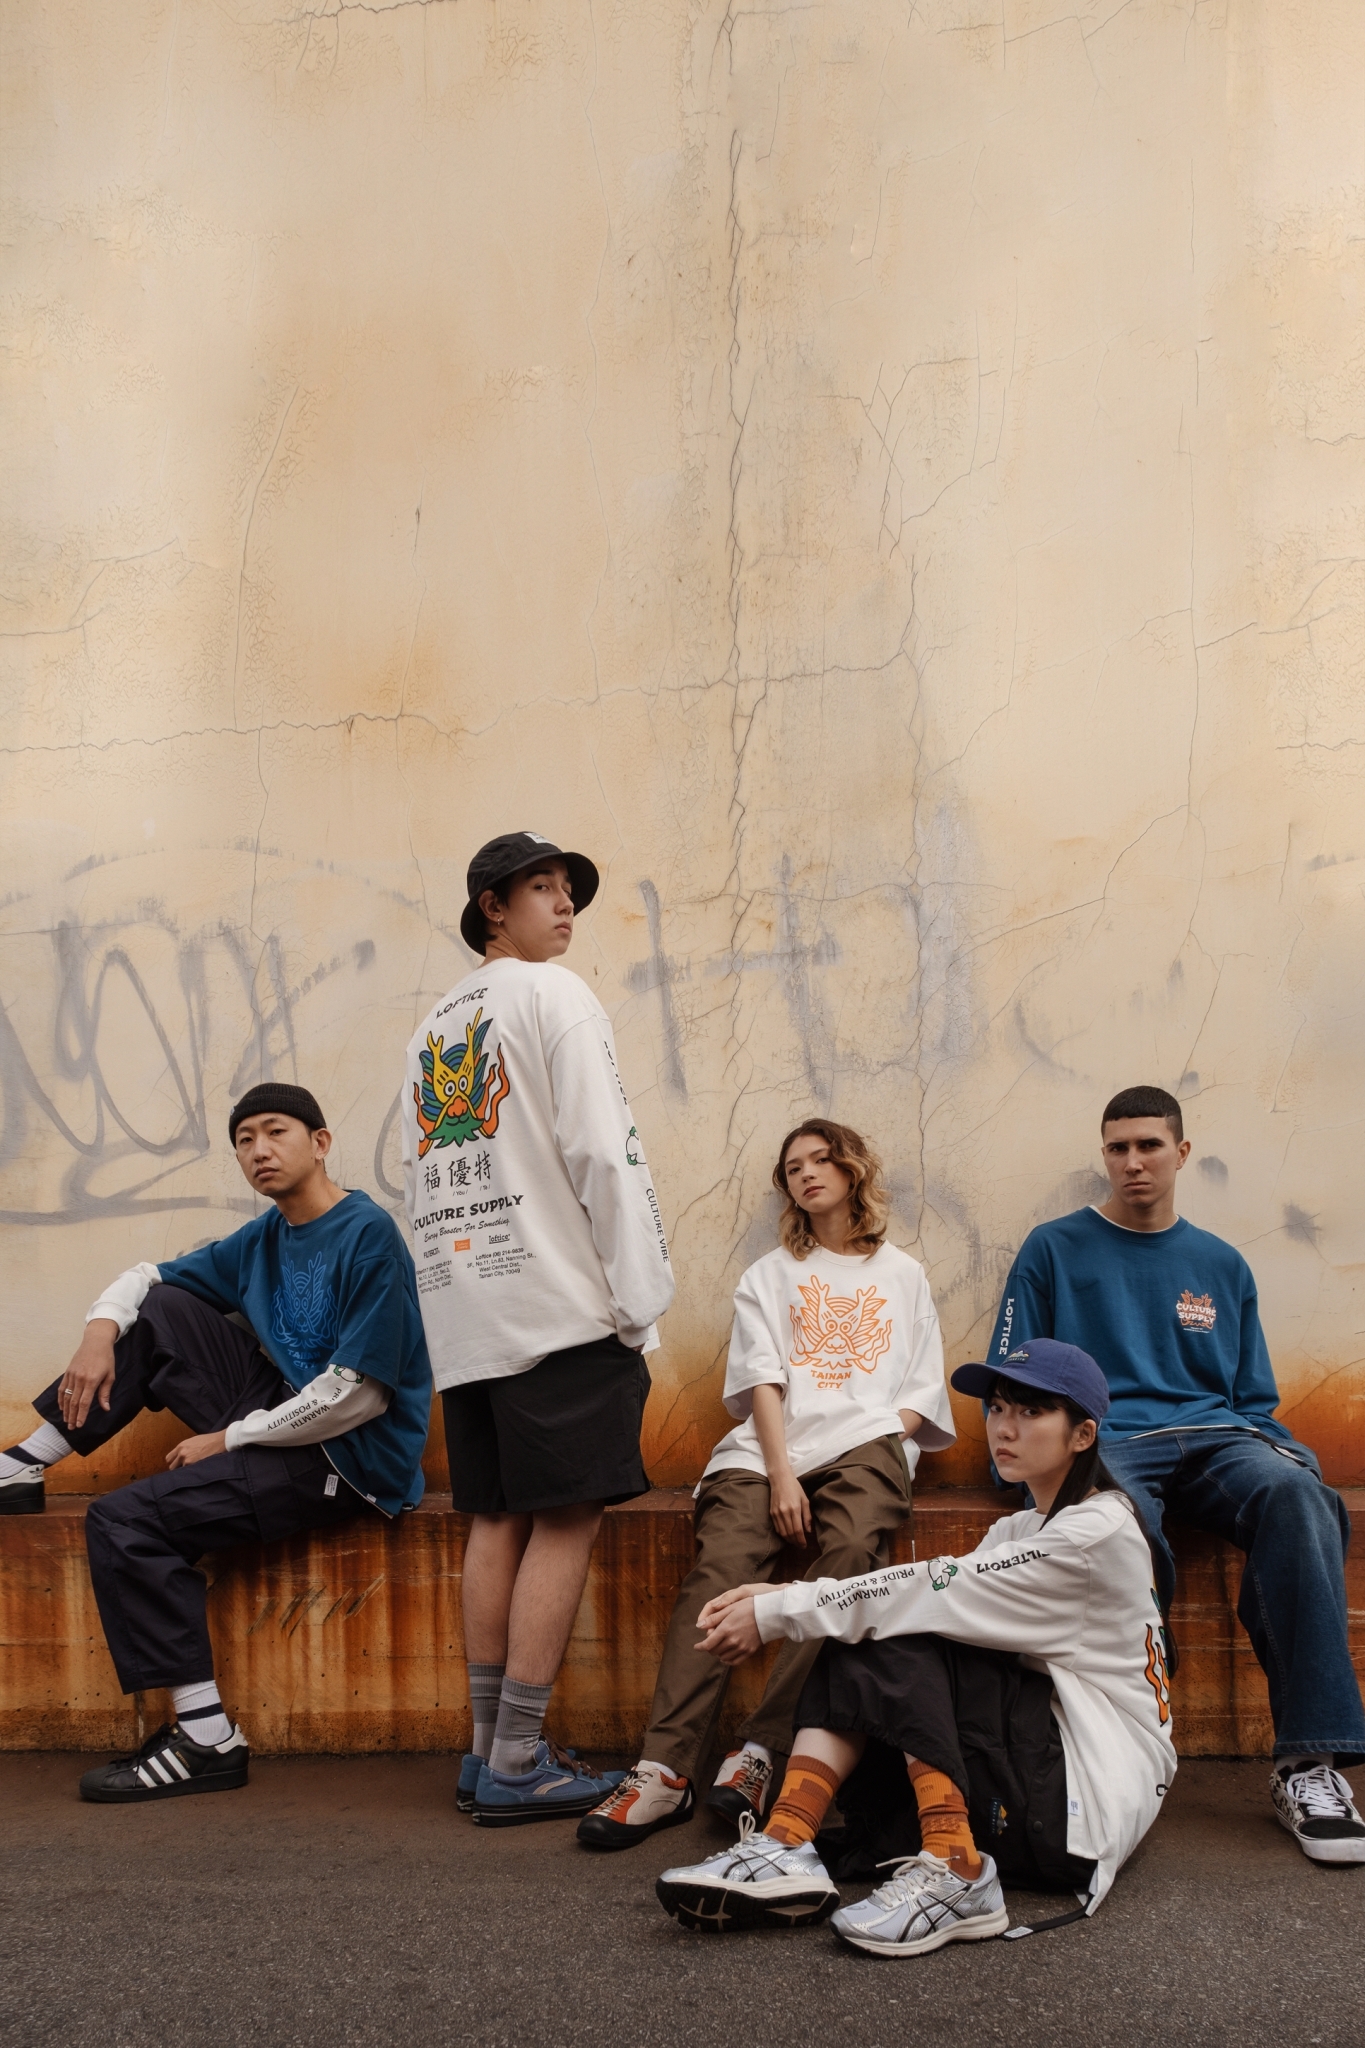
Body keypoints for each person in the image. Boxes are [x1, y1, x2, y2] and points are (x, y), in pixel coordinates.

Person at [652, 1341, 1176, 1954]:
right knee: (873, 1622)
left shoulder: (1094, 1531)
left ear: (1083, 1435)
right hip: (1041, 1778)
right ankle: (786, 1843)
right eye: (997, 1408)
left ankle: (957, 1869)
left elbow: (931, 1591)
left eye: (1031, 1412)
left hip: (1080, 1809)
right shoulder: (1023, 1527)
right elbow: (926, 1601)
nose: (1004, 1428)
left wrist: (780, 1607)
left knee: (896, 1624)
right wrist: (804, 1603)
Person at [0, 1083, 432, 1803]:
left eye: (275, 1131)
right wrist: (98, 1333)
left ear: (320, 1142)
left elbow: (359, 1394)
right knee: (161, 1307)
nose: (259, 1150)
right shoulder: (263, 1238)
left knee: (124, 1521)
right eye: (244, 1140)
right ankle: (23, 1466)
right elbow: (147, 1277)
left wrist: (228, 1438)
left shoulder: (367, 1235)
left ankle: (207, 1740)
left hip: (348, 1458)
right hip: (280, 1413)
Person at [984, 1083, 1365, 1866]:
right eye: (1117, 1147)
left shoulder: (1220, 1263)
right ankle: (1141, 1713)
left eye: (1148, 1145)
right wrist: (1028, 1458)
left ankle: (1306, 1763)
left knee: (1300, 1499)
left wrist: (1284, 1456)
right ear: (1104, 1155)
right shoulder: (1051, 1249)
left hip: (1218, 1436)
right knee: (1117, 1511)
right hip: (1108, 1438)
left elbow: (1251, 1400)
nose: (1132, 1162)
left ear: (1180, 1153)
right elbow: (1010, 1373)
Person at [577, 1117, 955, 1850]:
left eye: (820, 1160)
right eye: (792, 1168)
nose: (806, 1174)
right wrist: (782, 1476)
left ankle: (760, 1750)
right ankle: (663, 1770)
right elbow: (762, 1382)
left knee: (852, 1556)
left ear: (851, 1169)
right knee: (718, 1571)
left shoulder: (902, 1275)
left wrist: (874, 1436)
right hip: (765, 1451)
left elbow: (919, 1394)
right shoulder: (769, 1275)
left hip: (867, 1446)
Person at [404, 831, 675, 1825]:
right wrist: (640, 1299)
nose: (564, 905)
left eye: (568, 890)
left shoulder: (434, 1023)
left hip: (468, 1312)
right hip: (556, 1306)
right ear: (492, 906)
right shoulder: (553, 995)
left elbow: (422, 1173)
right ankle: (519, 1758)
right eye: (542, 888)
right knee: (564, 1515)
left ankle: (488, 1750)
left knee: (496, 1516)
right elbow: (605, 1150)